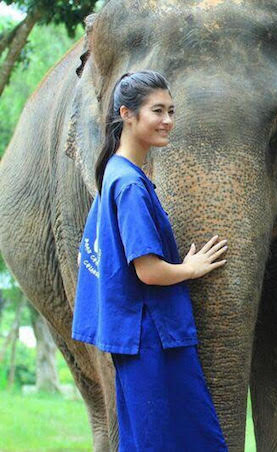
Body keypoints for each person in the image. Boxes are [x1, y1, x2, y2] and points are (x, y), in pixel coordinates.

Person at [72, 71, 228, 451]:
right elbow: (148, 270)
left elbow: (87, 255)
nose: (168, 120)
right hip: (151, 339)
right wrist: (189, 269)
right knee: (178, 440)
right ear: (127, 114)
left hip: (136, 337)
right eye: (157, 110)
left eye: (171, 110)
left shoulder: (115, 172)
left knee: (144, 440)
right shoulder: (128, 185)